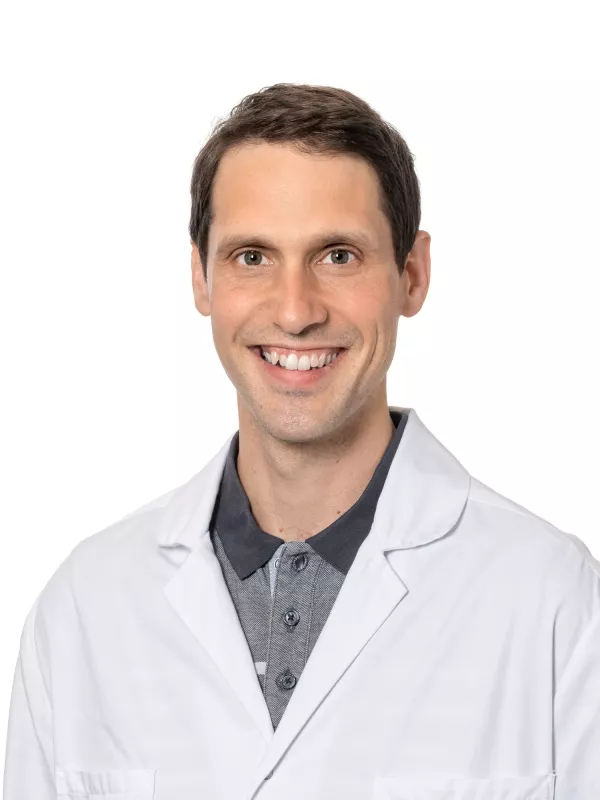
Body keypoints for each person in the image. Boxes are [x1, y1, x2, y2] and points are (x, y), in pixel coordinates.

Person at [3, 83, 599, 800]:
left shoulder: (554, 603)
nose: (294, 311)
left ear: (412, 275)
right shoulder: (84, 609)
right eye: (252, 256)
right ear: (200, 277)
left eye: (338, 256)